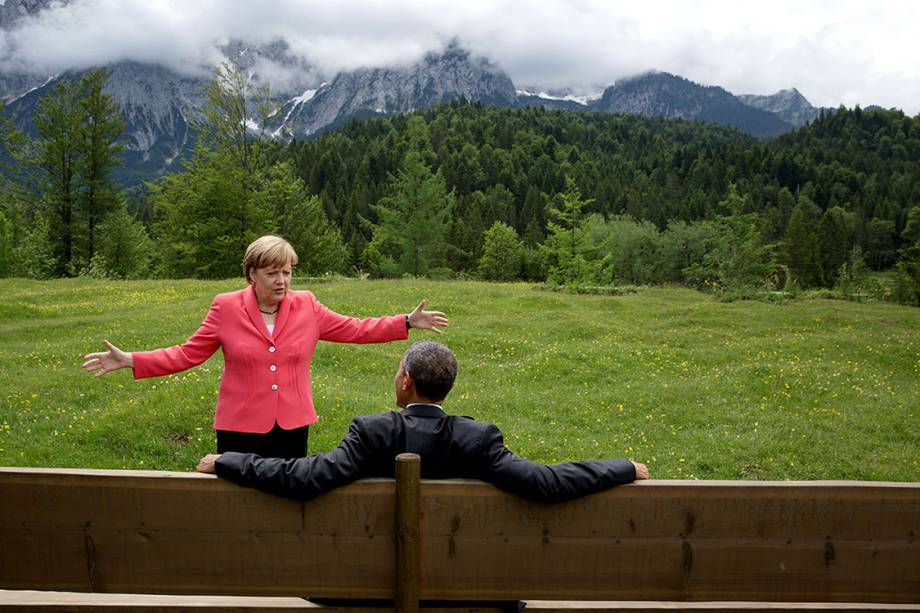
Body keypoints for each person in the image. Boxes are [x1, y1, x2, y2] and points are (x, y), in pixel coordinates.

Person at [82, 235, 448, 459]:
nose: (282, 280)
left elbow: (354, 328)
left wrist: (405, 321)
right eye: (273, 272)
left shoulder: (307, 304)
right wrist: (132, 360)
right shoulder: (225, 307)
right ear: (252, 274)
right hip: (239, 425)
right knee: (238, 500)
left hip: (291, 424)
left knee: (286, 495)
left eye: (287, 272)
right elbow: (188, 352)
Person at [198, 341, 649, 503]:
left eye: (398, 371)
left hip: (362, 591)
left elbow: (302, 477)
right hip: (463, 587)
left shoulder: (372, 434)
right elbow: (547, 483)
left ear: (406, 382)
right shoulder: (477, 440)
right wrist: (624, 468)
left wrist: (228, 460)